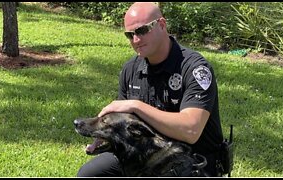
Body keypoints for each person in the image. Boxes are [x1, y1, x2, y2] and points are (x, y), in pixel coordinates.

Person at [77, 2, 224, 177]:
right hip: (144, 155)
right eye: (129, 35)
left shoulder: (194, 68)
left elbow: (191, 130)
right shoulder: (131, 69)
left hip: (192, 160)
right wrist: (104, 134)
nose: (135, 40)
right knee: (89, 174)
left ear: (162, 25)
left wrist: (136, 105)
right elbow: (123, 126)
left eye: (141, 31)